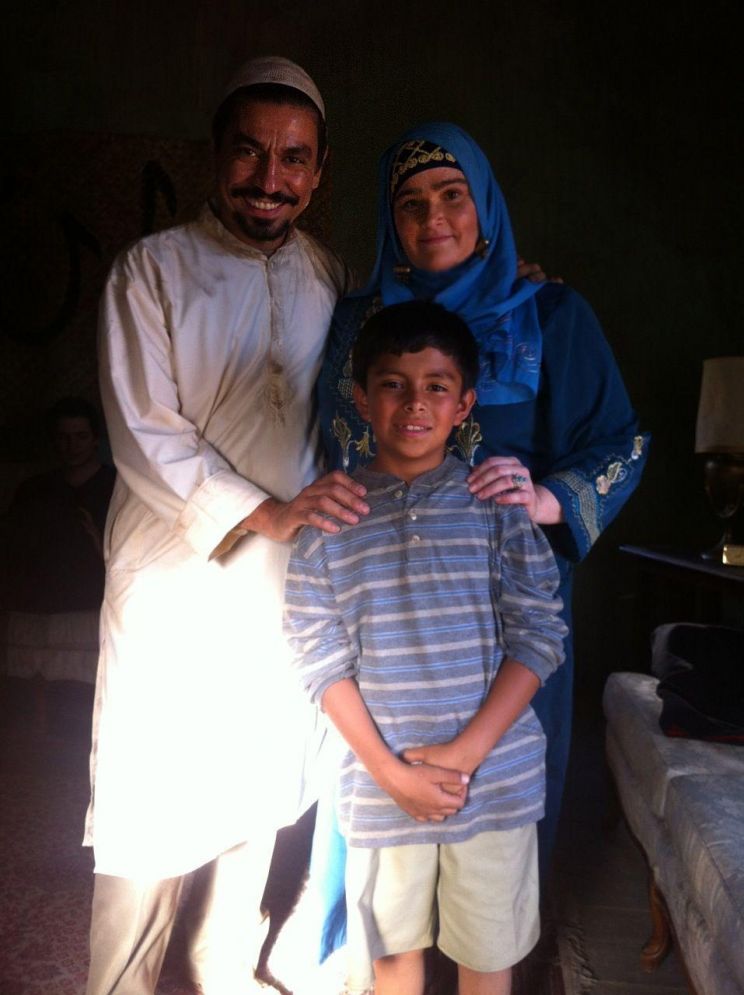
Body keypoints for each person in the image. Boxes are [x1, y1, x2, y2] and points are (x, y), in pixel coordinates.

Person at [84, 56, 375, 995]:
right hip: (176, 586)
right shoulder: (151, 271)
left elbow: (404, 357)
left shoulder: (331, 279)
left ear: (318, 173)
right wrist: (269, 511)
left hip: (282, 592)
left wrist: (524, 283)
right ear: (216, 154)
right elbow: (144, 430)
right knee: (151, 809)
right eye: (250, 152)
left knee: (258, 786)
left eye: (293, 158)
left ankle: (221, 970)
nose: (269, 178)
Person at [316, 122, 650, 906]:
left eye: (452, 195)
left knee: (496, 802)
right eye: (409, 202)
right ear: (388, 220)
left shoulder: (551, 314)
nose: (432, 217)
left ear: (486, 208)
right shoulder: (354, 322)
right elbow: (333, 441)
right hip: (386, 605)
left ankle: (495, 954)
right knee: (386, 797)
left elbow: (622, 441)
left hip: (505, 610)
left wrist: (548, 497)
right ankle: (385, 952)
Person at [285, 300, 568, 995]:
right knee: (392, 958)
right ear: (361, 398)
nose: (415, 403)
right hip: (381, 787)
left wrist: (466, 754)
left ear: (464, 403)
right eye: (393, 383)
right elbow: (319, 660)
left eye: (436, 385)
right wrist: (390, 772)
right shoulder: (328, 521)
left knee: (488, 957)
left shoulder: (496, 509)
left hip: (493, 783)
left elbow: (539, 633)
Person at [1, 396, 115, 613]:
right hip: (39, 602)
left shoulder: (116, 487)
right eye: (64, 437)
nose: (72, 446)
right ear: (54, 440)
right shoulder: (34, 489)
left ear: (95, 439)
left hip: (99, 600)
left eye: (81, 436)